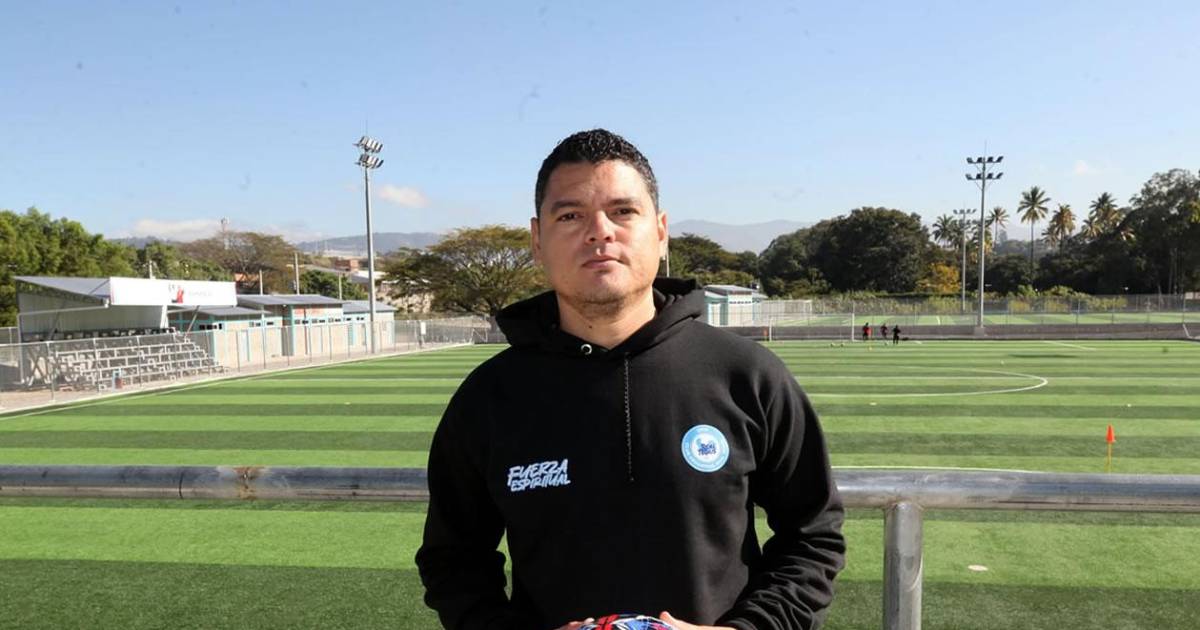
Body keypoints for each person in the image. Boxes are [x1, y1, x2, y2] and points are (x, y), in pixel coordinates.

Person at [416, 129, 845, 630]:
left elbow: (812, 536)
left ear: (660, 232)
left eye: (622, 211)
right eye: (570, 216)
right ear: (537, 240)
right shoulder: (488, 397)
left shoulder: (748, 375)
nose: (599, 232)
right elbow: (454, 561)